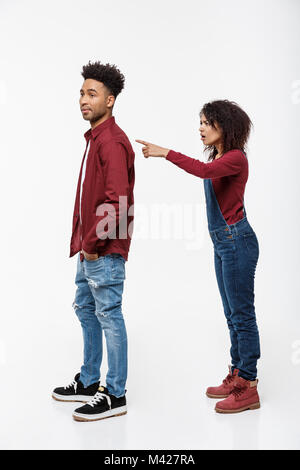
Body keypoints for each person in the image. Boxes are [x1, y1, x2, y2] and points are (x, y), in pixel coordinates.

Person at [136, 100, 260, 414]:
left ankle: (249, 385)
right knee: (231, 315)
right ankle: (237, 374)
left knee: (242, 316)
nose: (201, 128)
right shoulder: (220, 156)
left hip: (237, 241)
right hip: (223, 244)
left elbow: (203, 171)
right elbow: (207, 168)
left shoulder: (235, 158)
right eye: (200, 122)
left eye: (207, 122)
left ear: (225, 126)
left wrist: (166, 153)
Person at [52, 61, 135, 422]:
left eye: (92, 94)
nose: (83, 100)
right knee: (86, 310)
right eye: (82, 93)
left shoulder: (113, 142)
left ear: (111, 100)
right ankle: (88, 381)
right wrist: (84, 245)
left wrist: (94, 244)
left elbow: (117, 201)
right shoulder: (96, 138)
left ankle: (115, 393)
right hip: (88, 249)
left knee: (108, 315)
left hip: (102, 250)